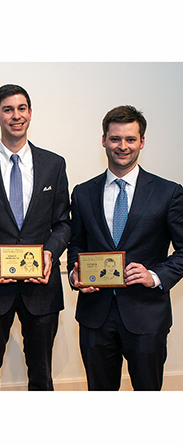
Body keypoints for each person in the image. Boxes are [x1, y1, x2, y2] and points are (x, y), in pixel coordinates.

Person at [0, 84, 71, 390]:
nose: (16, 115)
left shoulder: (54, 164)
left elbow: (63, 223)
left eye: (22, 108)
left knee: (42, 375)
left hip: (42, 288)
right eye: (8, 110)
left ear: (31, 113)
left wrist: (49, 254)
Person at [68, 105, 183, 390]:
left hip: (146, 317)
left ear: (142, 142)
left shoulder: (168, 193)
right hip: (95, 317)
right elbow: (76, 246)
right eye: (116, 139)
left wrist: (154, 276)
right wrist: (74, 275)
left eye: (130, 139)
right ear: (104, 140)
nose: (123, 146)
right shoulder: (83, 193)